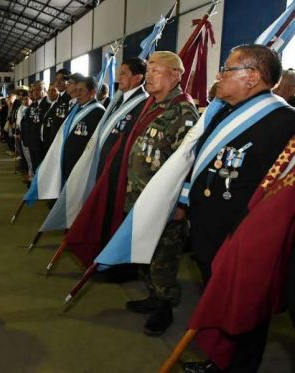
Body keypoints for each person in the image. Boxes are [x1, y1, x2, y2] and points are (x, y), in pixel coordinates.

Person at [181, 44, 295, 372]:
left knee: (244, 310)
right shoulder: (224, 113)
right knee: (218, 303)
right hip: (208, 232)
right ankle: (219, 360)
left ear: (252, 78)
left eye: (227, 69)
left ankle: (239, 367)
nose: (219, 76)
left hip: (243, 240)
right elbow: (202, 164)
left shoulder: (284, 122)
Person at [119, 51, 199, 336]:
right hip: (140, 198)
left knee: (164, 257)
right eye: (148, 70)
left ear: (176, 75)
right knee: (146, 254)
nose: (149, 75)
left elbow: (190, 163)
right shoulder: (154, 106)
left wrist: (181, 204)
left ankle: (165, 306)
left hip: (165, 204)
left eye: (156, 70)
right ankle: (153, 295)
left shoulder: (183, 113)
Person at [61, 76, 105, 182]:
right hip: (70, 160)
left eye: (82, 91)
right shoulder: (77, 109)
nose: (78, 94)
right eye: (77, 90)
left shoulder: (98, 112)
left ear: (92, 92)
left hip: (82, 163)